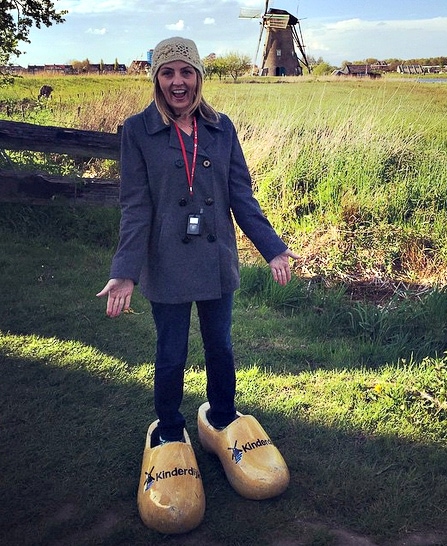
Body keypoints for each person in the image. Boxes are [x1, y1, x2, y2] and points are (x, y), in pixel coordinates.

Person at [97, 37, 298, 530]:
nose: (178, 83)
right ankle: (169, 431)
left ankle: (223, 417)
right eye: (168, 74)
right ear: (156, 79)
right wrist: (125, 270)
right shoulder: (136, 131)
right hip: (165, 264)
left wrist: (273, 247)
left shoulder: (221, 127)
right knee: (170, 352)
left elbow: (240, 197)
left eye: (186, 72)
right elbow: (135, 207)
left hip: (215, 263)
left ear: (199, 77)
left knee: (221, 346)